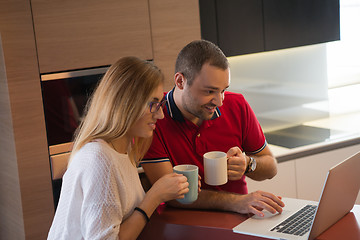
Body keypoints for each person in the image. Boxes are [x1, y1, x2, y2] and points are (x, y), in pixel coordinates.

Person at [47, 56, 192, 239]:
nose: (161, 115)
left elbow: (120, 208)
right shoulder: (101, 160)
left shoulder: (122, 150)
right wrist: (154, 196)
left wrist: (164, 190)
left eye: (160, 104)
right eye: (153, 104)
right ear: (126, 103)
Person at [141, 40, 285, 217]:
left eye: (223, 90)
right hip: (182, 226)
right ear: (180, 81)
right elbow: (171, 196)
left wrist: (248, 164)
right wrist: (236, 202)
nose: (220, 101)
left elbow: (271, 167)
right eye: (209, 92)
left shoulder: (237, 105)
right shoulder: (153, 119)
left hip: (239, 219)